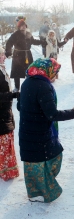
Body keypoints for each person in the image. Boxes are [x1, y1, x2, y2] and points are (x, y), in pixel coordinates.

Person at [17, 58, 74, 203]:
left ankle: (34, 192)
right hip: (40, 132)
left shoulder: (27, 82)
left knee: (34, 161)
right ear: (47, 70)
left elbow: (19, 107)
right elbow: (52, 114)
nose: (54, 76)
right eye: (55, 72)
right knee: (51, 157)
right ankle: (41, 193)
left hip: (28, 131)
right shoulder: (43, 86)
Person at [5, 19, 44, 92]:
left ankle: (29, 86)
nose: (23, 27)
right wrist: (8, 52)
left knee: (29, 71)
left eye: (24, 26)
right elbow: (9, 43)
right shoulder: (15, 34)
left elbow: (33, 41)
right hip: (18, 55)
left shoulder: (28, 33)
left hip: (27, 55)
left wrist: (42, 42)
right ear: (19, 27)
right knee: (17, 72)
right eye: (22, 26)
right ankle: (17, 88)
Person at [0, 47, 19, 181]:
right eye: (2, 55)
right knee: (4, 140)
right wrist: (12, 95)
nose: (5, 57)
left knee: (6, 139)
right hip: (1, 113)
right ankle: (5, 171)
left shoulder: (1, 69)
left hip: (5, 111)